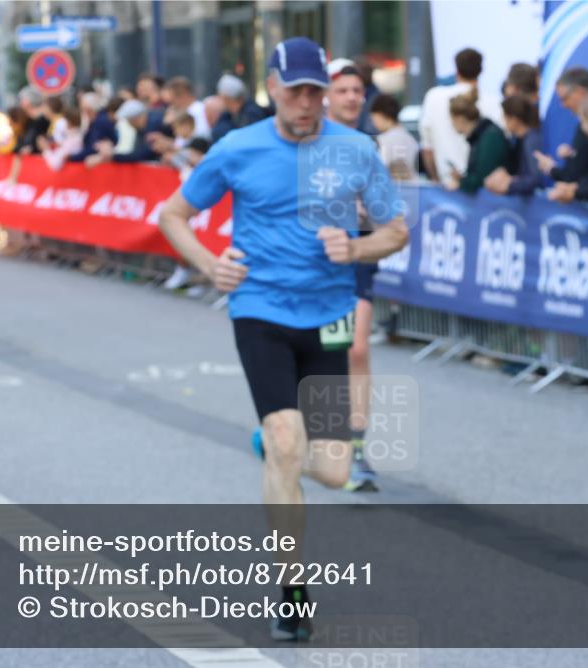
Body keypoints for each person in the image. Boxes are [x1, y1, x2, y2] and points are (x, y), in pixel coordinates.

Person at [158, 37, 407, 640]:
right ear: (272, 88)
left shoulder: (355, 149)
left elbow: (396, 230)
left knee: (332, 470)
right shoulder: (237, 147)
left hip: (330, 315)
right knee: (288, 438)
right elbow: (172, 214)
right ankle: (292, 592)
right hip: (261, 308)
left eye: (315, 91)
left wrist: (357, 248)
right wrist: (208, 263)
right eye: (295, 91)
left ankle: (273, 444)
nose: (306, 102)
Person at [326, 59, 382, 492]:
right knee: (319, 351)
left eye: (357, 91)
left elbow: (397, 211)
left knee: (356, 348)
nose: (351, 98)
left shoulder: (373, 144)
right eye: (342, 90)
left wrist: (370, 210)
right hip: (312, 259)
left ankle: (355, 448)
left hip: (358, 254)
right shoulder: (306, 142)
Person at [419, 47, 498, 187]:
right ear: (480, 70)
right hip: (483, 188)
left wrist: (436, 181)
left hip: (448, 186)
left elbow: (427, 149)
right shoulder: (494, 103)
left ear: (457, 70)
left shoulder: (434, 97)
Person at [533, 67, 588, 187]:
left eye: (565, 98)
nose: (563, 105)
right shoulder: (585, 126)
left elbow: (577, 177)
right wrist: (573, 156)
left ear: (581, 92)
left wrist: (550, 168)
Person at [446, 90, 509, 194]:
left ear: (460, 119)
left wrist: (462, 183)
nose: (451, 123)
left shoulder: (490, 137)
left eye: (451, 119)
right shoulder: (480, 136)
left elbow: (483, 177)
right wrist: (463, 179)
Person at [484, 95, 542, 195]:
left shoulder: (531, 141)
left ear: (514, 119)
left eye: (505, 117)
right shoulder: (517, 140)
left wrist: (509, 184)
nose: (503, 121)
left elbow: (535, 179)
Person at [369, 93, 419, 181]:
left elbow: (380, 168)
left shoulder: (384, 139)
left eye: (373, 119)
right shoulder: (410, 138)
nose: (374, 124)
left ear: (381, 115)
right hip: (412, 185)